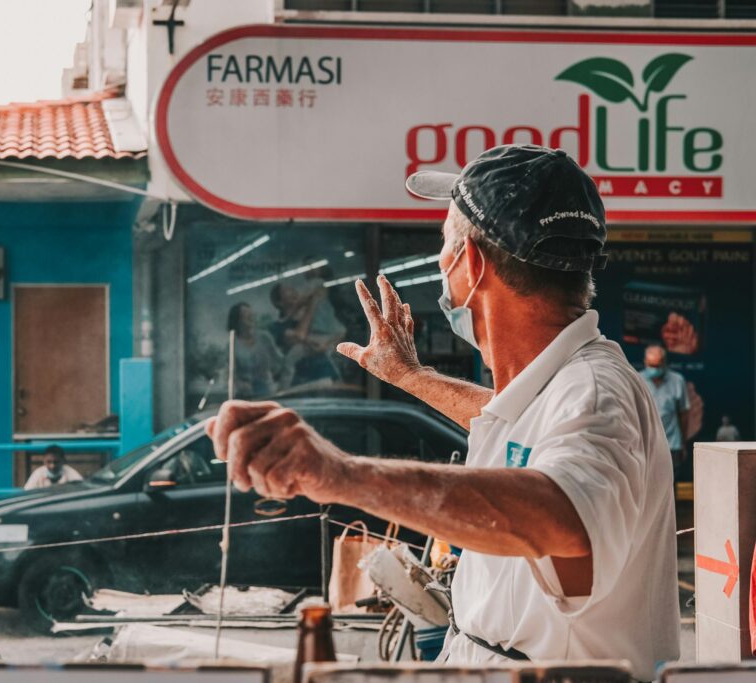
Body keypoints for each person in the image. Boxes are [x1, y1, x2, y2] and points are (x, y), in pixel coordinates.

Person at [207, 145, 679, 681]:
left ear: (471, 263)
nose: (441, 264)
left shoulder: (594, 391)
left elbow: (566, 513)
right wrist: (412, 377)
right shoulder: (563, 388)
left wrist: (335, 473)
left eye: (443, 244)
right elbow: (517, 426)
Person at [639, 345, 691, 480]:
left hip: (672, 443)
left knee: (670, 483)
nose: (654, 369)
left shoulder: (677, 380)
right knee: (646, 483)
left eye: (658, 365)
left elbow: (683, 413)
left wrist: (683, 443)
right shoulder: (637, 380)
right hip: (645, 444)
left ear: (665, 363)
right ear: (645, 362)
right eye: (651, 365)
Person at [227, 302, 283, 399]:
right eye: (246, 315)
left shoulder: (264, 338)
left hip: (268, 394)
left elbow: (279, 362)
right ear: (237, 321)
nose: (251, 318)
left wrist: (277, 383)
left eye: (251, 314)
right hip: (244, 397)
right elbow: (229, 374)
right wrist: (240, 384)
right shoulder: (232, 345)